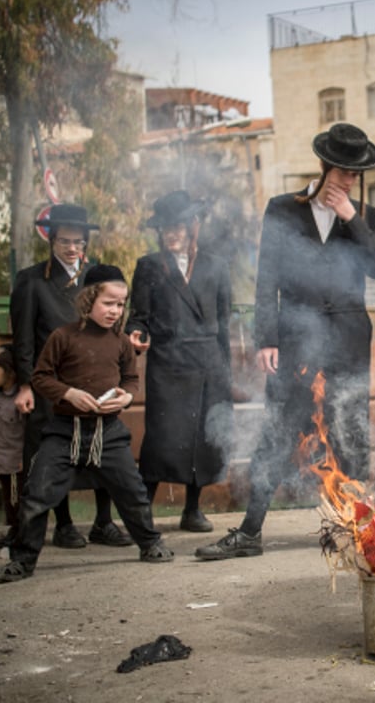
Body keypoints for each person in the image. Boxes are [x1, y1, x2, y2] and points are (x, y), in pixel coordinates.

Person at [196, 123, 375, 561]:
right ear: (323, 166)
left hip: (347, 343)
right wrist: (267, 338)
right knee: (278, 433)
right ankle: (249, 532)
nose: (348, 181)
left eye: (355, 174)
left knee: (350, 435)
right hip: (296, 340)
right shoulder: (283, 208)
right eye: (342, 171)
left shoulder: (365, 215)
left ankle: (359, 531)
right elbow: (267, 277)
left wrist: (351, 219)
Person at [0, 265, 174, 582]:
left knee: (132, 491)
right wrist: (69, 393)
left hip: (109, 434)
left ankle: (150, 542)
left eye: (120, 304)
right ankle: (22, 559)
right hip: (64, 431)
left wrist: (127, 398)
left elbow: (131, 380)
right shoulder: (62, 337)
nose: (115, 311)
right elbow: (40, 377)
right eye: (108, 303)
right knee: (37, 493)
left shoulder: (120, 343)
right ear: (88, 300)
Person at [9, 204, 132, 549]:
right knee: (58, 449)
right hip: (55, 384)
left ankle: (103, 522)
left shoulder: (98, 278)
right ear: (51, 239)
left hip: (98, 377)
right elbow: (23, 339)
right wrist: (25, 385)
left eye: (79, 242)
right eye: (64, 240)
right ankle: (63, 524)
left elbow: (117, 324)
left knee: (103, 445)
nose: (72, 249)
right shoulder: (32, 281)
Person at [126, 190, 234, 533]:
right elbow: (138, 315)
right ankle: (142, 515)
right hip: (168, 364)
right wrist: (136, 331)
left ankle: (192, 510)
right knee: (162, 438)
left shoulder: (217, 266)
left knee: (202, 440)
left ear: (193, 227)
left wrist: (226, 372)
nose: (171, 234)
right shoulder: (148, 266)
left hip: (209, 365)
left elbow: (224, 322)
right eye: (165, 229)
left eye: (178, 227)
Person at [0, 345, 26, 548]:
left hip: (17, 460)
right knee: (9, 498)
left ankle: (23, 532)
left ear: (9, 372)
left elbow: (27, 431)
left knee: (19, 499)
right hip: (2, 457)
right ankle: (14, 529)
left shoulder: (21, 399)